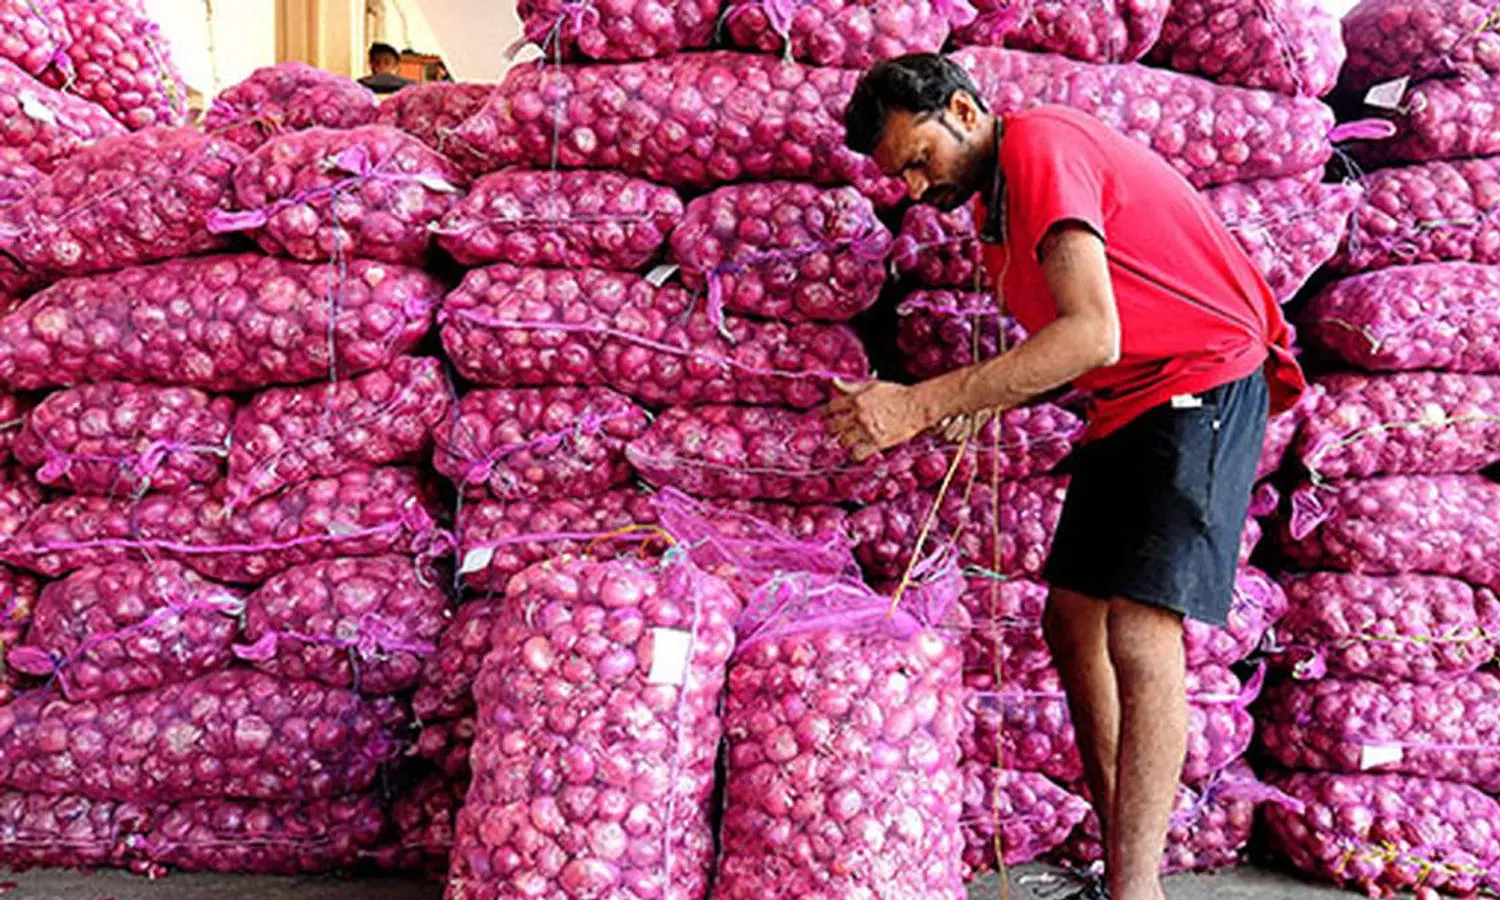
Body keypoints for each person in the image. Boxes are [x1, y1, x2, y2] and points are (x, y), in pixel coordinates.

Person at [828, 54, 1305, 900]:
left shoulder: (1039, 147)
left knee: (1139, 627)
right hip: (1133, 398)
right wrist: (985, 399)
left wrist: (923, 403)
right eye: (894, 173)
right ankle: (1122, 847)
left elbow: (1092, 333)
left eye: (915, 158)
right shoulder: (996, 208)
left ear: (968, 113)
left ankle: (1138, 889)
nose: (908, 185)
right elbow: (1076, 343)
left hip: (1200, 376)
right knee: (1070, 614)